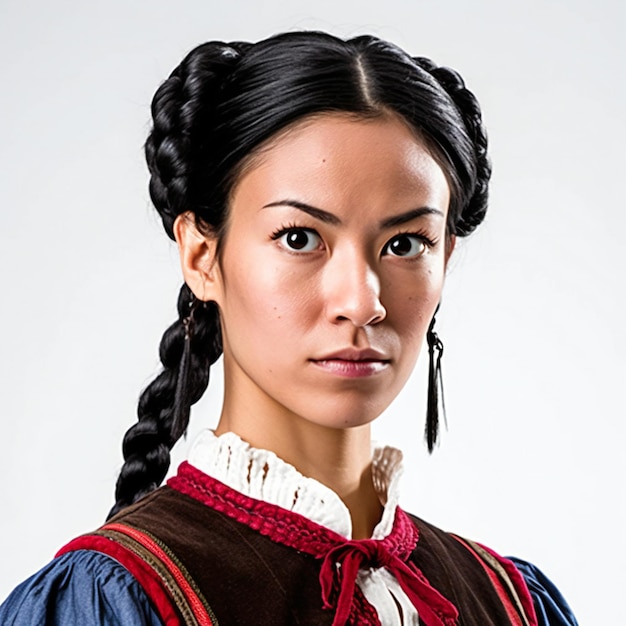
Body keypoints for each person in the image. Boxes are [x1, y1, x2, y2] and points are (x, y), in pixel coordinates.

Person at [0, 31, 579, 625]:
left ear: (446, 259)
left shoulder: (509, 600)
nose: (362, 302)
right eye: (299, 238)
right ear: (202, 255)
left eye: (405, 244)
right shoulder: (116, 598)